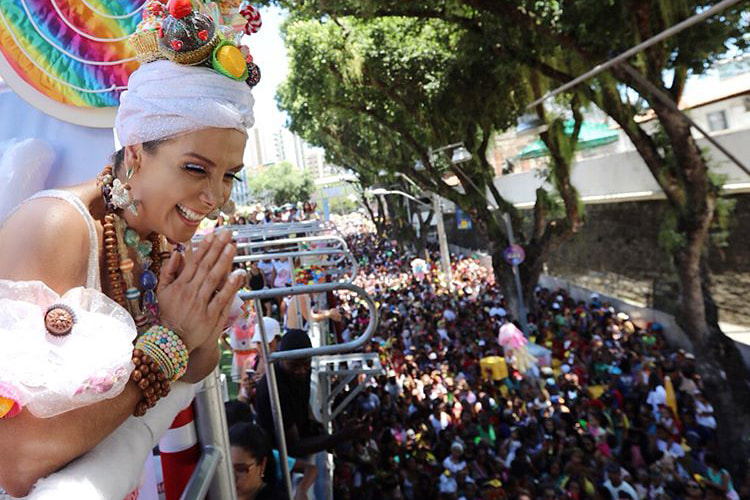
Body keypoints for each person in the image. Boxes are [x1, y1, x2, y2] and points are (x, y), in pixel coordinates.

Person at [0, 1, 255, 496]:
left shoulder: (157, 234)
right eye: (196, 169)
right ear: (136, 152)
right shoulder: (57, 226)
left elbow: (202, 364)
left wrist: (199, 325)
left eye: (229, 177)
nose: (215, 196)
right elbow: (14, 458)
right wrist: (171, 342)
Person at [254, 330, 365, 457]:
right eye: (294, 365)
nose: (301, 371)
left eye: (306, 364)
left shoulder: (304, 372)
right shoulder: (273, 388)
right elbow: (293, 447)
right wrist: (340, 436)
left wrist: (317, 428)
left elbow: (303, 404)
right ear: (281, 359)